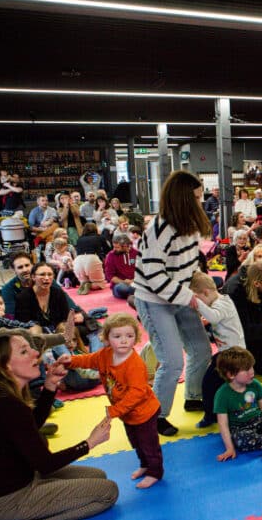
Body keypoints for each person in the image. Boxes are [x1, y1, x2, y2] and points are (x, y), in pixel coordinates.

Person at [0, 331, 117, 520]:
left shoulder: (2, 396)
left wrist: (49, 386)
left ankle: (9, 516)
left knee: (97, 476)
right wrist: (89, 443)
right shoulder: (5, 405)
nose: (35, 353)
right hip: (10, 499)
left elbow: (31, 427)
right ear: (5, 367)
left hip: (21, 482)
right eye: (24, 351)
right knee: (107, 493)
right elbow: (45, 463)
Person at [133, 170, 213, 437]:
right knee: (171, 360)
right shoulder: (159, 229)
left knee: (201, 349)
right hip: (154, 300)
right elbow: (154, 276)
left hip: (179, 294)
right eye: (196, 198)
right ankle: (156, 416)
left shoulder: (189, 226)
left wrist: (202, 287)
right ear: (182, 199)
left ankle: (193, 396)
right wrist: (188, 297)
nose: (200, 203)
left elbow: (189, 265)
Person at [61, 313, 163, 489]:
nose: (124, 341)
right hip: (127, 414)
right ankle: (145, 465)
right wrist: (71, 361)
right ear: (107, 338)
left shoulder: (134, 365)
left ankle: (155, 472)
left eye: (129, 336)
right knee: (136, 442)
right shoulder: (105, 354)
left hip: (144, 413)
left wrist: (114, 411)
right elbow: (89, 359)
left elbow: (136, 394)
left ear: (136, 338)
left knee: (149, 444)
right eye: (117, 336)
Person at [188, 271, 245, 427]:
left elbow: (214, 317)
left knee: (217, 384)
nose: (199, 305)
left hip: (234, 355)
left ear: (206, 292)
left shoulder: (223, 302)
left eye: (199, 299)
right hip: (225, 354)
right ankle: (214, 414)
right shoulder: (218, 303)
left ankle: (236, 414)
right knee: (212, 384)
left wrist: (196, 303)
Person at [73, 222, 110, 295]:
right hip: (92, 258)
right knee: (100, 284)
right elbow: (108, 250)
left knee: (84, 279)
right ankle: (90, 285)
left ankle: (84, 283)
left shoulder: (79, 239)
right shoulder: (99, 237)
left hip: (78, 260)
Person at [104, 232, 137, 300]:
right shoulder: (111, 256)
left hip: (136, 282)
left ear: (125, 245)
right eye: (114, 247)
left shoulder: (136, 253)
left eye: (117, 247)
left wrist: (134, 281)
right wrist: (124, 281)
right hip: (120, 285)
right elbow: (110, 276)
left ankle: (136, 293)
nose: (115, 249)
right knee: (123, 288)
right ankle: (138, 293)